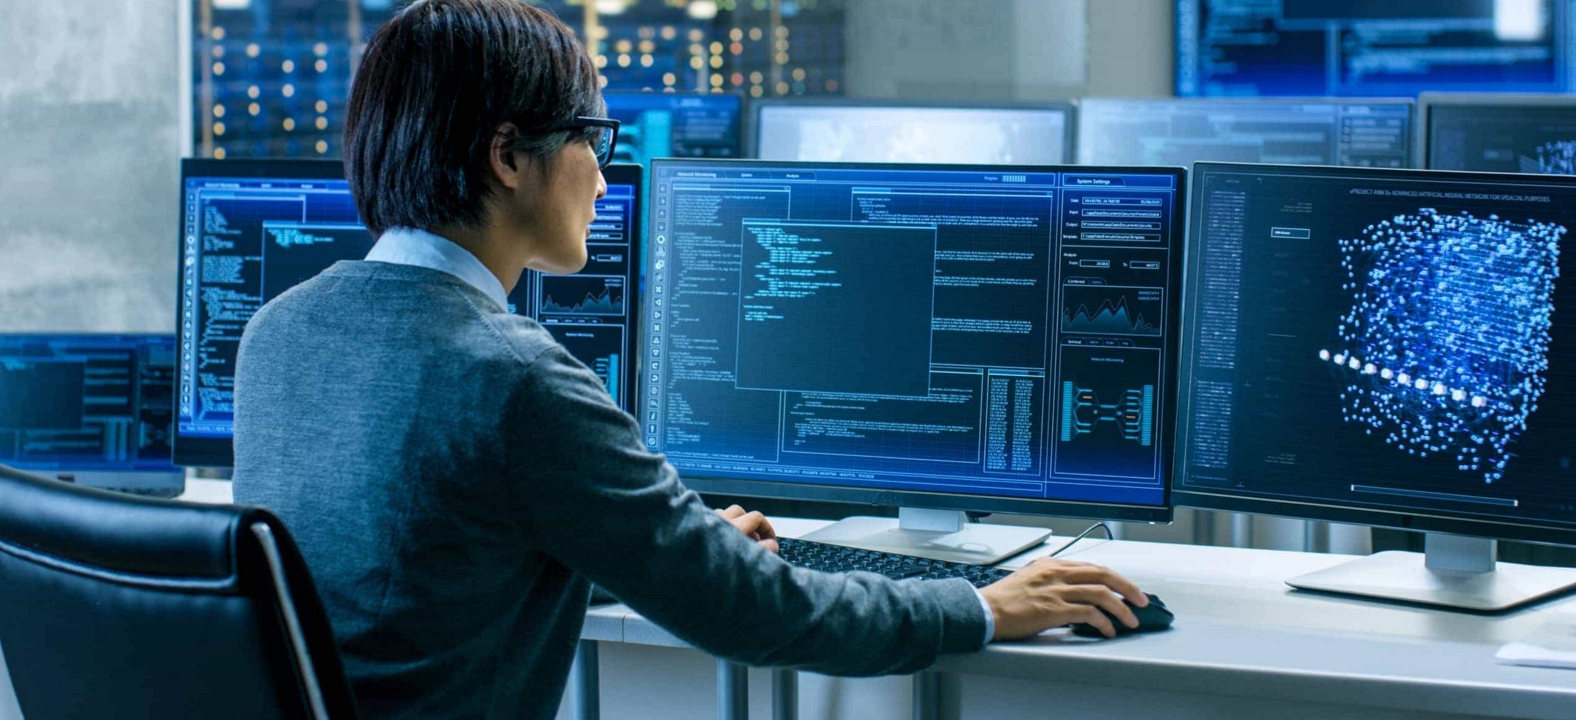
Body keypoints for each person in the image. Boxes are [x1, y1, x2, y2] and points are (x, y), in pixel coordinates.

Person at [231, 1, 1150, 719]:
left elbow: (426, 564)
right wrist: (988, 607)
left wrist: (661, 548)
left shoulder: (281, 331)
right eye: (591, 136)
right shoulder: (514, 379)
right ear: (508, 156)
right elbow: (755, 617)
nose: (601, 172)